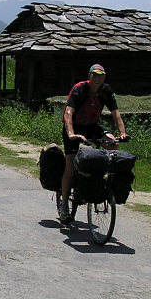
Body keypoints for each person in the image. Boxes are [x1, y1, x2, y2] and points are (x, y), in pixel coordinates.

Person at [59, 63, 128, 223]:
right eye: (95, 75)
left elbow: (116, 114)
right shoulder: (79, 89)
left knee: (113, 143)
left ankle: (102, 183)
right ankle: (64, 205)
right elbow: (68, 113)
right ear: (89, 76)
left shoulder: (106, 91)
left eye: (101, 76)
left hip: (92, 126)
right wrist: (71, 133)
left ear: (104, 78)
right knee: (70, 163)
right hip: (74, 127)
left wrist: (122, 133)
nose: (98, 79)